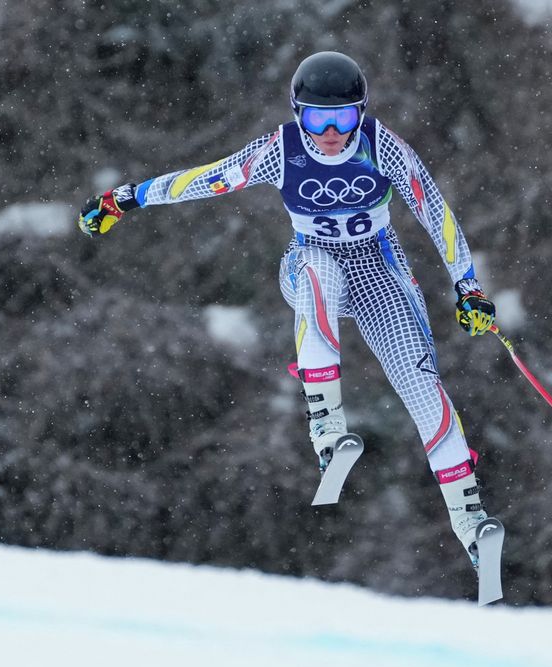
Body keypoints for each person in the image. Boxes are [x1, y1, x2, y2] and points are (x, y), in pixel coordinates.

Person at [78, 51, 498, 567]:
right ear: (297, 113)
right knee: (320, 270)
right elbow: (208, 178)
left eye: (343, 118)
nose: (329, 132)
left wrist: (468, 287)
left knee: (421, 383)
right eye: (316, 118)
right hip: (309, 267)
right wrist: (126, 200)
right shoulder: (281, 150)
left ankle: (469, 522)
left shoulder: (379, 146)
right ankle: (325, 425)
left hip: (380, 276)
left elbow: (436, 212)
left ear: (360, 114)